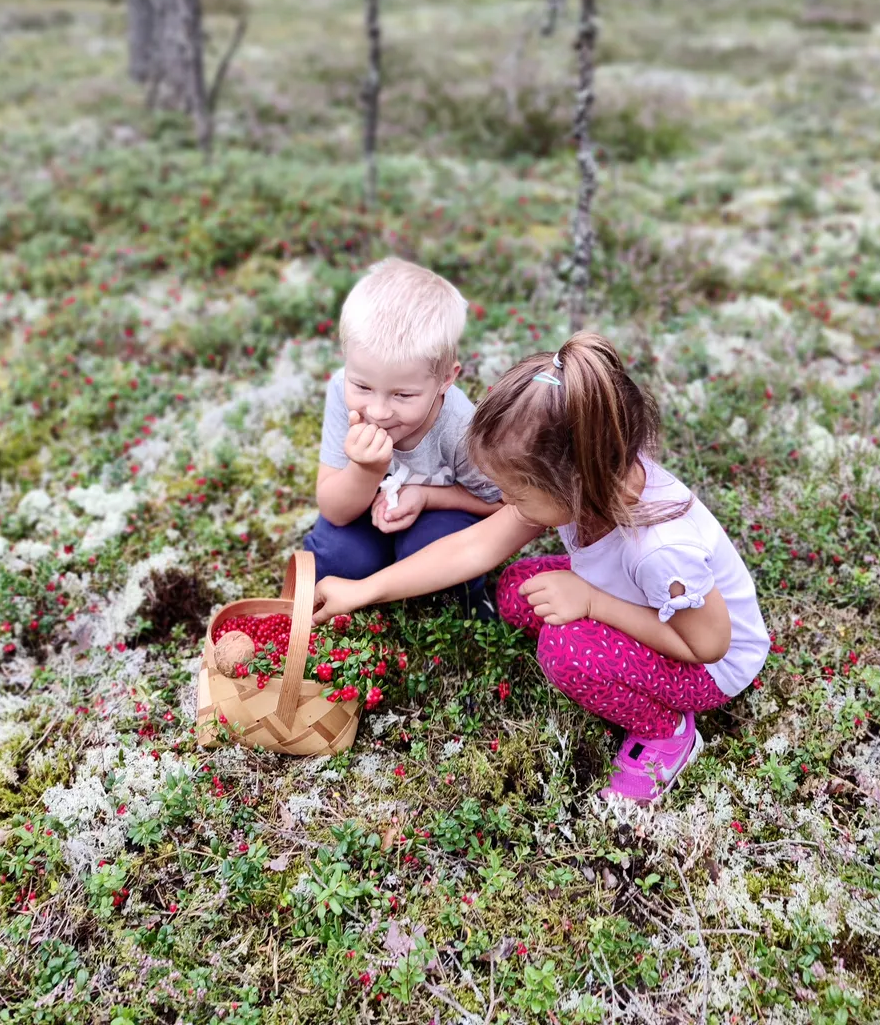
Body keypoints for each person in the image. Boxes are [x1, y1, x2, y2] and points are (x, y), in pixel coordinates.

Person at [313, 331, 770, 803]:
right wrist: (364, 589)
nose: (505, 502)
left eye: (516, 492)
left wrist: (592, 603)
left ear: (571, 485)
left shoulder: (659, 550)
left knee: (566, 649)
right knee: (516, 588)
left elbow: (710, 645)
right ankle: (609, 650)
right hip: (648, 604)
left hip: (709, 666)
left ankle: (667, 732)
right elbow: (474, 549)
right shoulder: (590, 485)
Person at [304, 257, 503, 619]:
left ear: (446, 378)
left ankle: (468, 601)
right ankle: (373, 577)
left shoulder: (461, 427)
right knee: (336, 559)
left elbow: (499, 505)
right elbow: (333, 506)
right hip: (364, 510)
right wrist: (366, 471)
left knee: (433, 558)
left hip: (440, 515)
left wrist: (426, 497)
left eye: (402, 395)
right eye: (362, 385)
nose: (378, 411)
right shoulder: (339, 391)